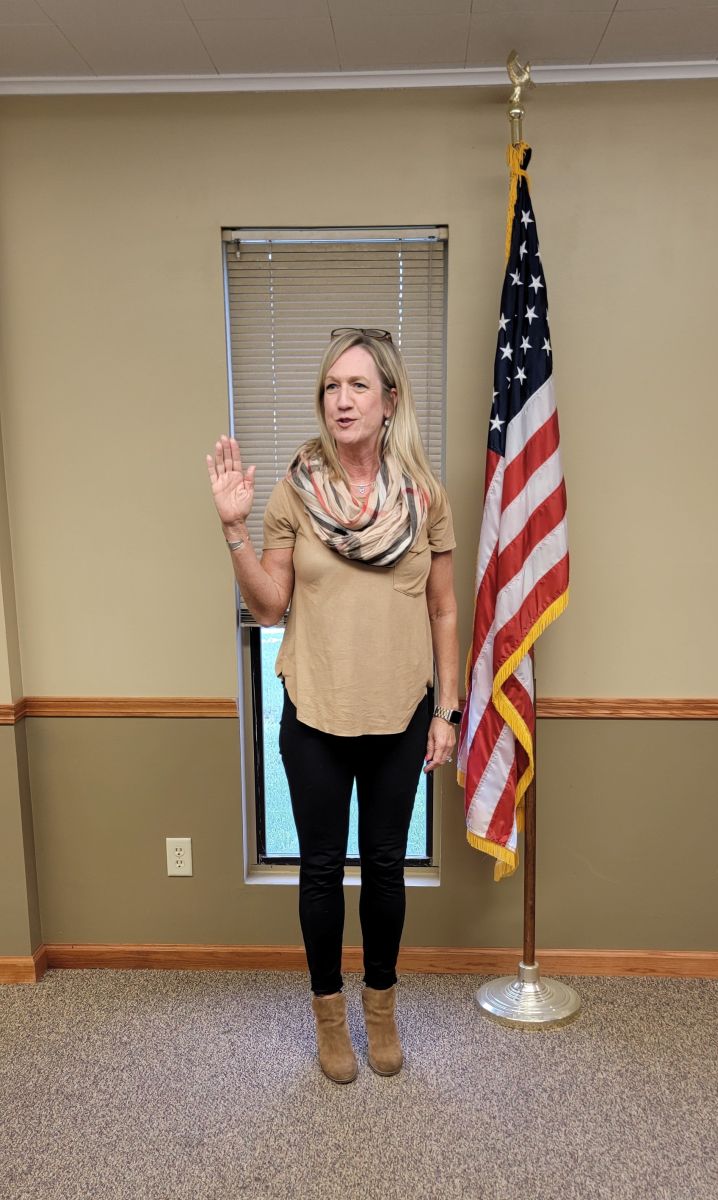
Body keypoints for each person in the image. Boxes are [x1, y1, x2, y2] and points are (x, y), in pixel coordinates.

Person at [205, 327, 460, 1084]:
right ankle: (329, 1020)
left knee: (385, 869)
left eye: (357, 386)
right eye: (330, 387)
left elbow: (445, 611)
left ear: (389, 401)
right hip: (315, 715)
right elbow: (272, 607)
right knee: (320, 871)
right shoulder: (294, 491)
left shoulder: (425, 497)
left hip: (401, 716)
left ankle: (379, 1011)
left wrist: (447, 711)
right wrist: (233, 531)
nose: (341, 399)